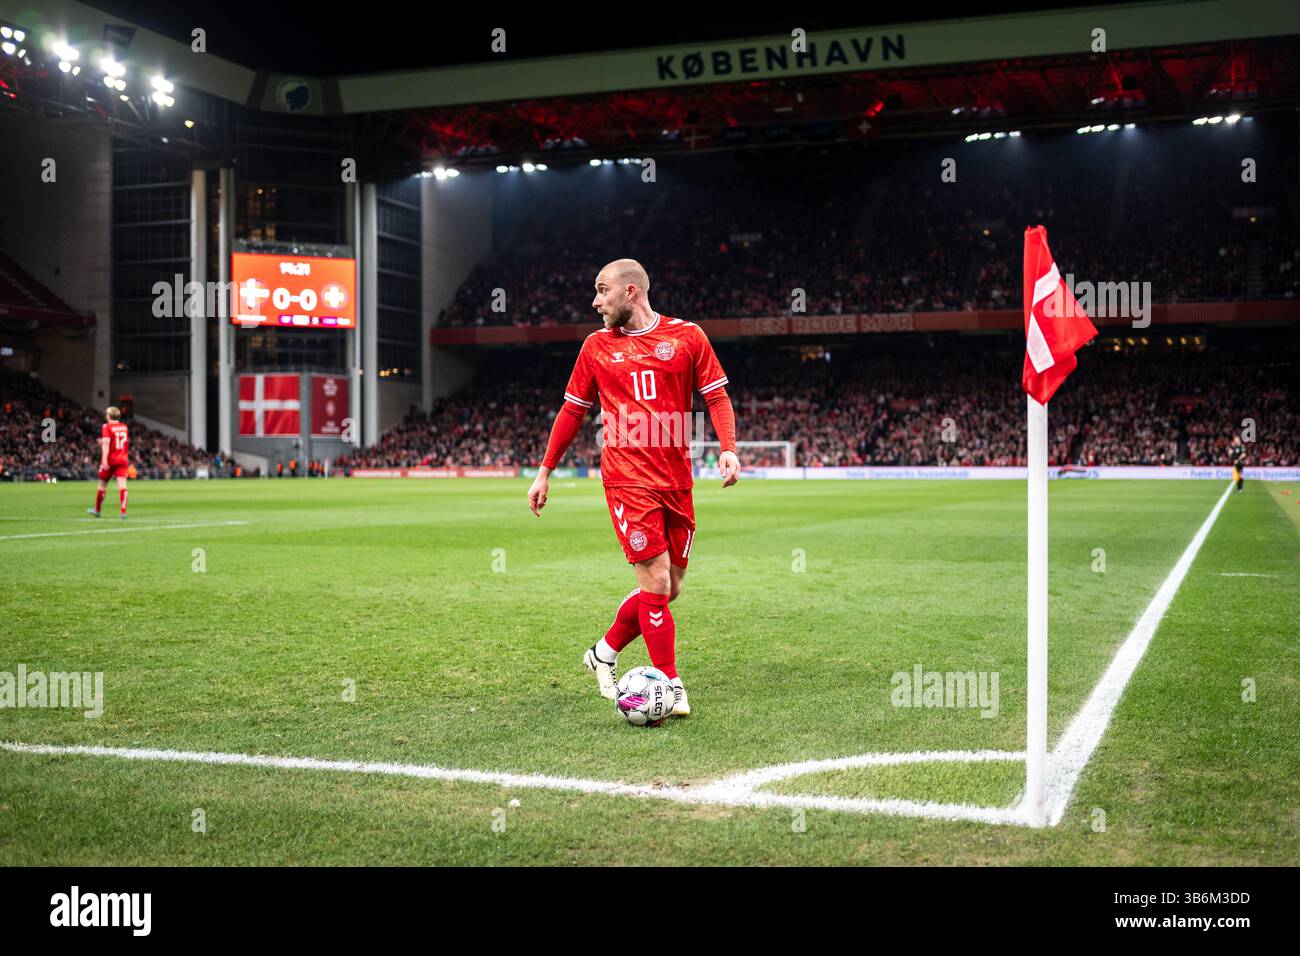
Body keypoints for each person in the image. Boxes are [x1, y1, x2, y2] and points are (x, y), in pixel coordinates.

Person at [527, 259, 741, 718]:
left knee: (672, 587)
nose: (595, 300)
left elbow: (716, 395)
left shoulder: (687, 337)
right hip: (626, 478)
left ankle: (603, 652)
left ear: (630, 293)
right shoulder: (595, 347)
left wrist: (728, 447)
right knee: (656, 579)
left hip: (676, 480)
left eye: (602, 291)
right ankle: (671, 686)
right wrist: (545, 470)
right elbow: (572, 411)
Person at [87, 406, 130, 519]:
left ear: (109, 416)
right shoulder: (124, 427)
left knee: (102, 485)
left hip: (110, 460)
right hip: (122, 459)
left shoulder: (106, 427)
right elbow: (117, 441)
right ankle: (123, 512)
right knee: (123, 486)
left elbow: (107, 444)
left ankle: (97, 510)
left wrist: (104, 460)